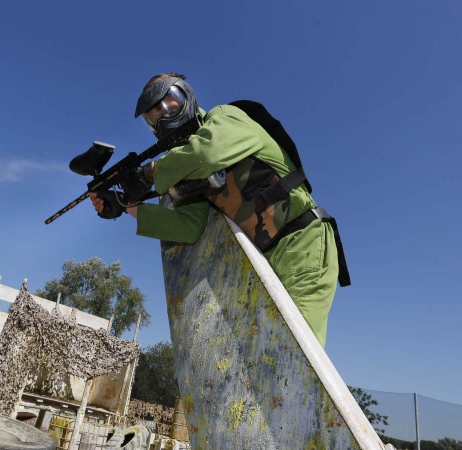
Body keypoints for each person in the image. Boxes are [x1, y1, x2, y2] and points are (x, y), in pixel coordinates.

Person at [90, 73, 349, 347]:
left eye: (171, 102)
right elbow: (188, 227)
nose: (164, 115)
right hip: (264, 260)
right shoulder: (186, 166)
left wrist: (150, 173)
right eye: (154, 115)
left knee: (296, 354)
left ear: (188, 96)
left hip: (301, 241)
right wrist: (126, 205)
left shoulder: (225, 117)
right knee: (265, 356)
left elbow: (207, 154)